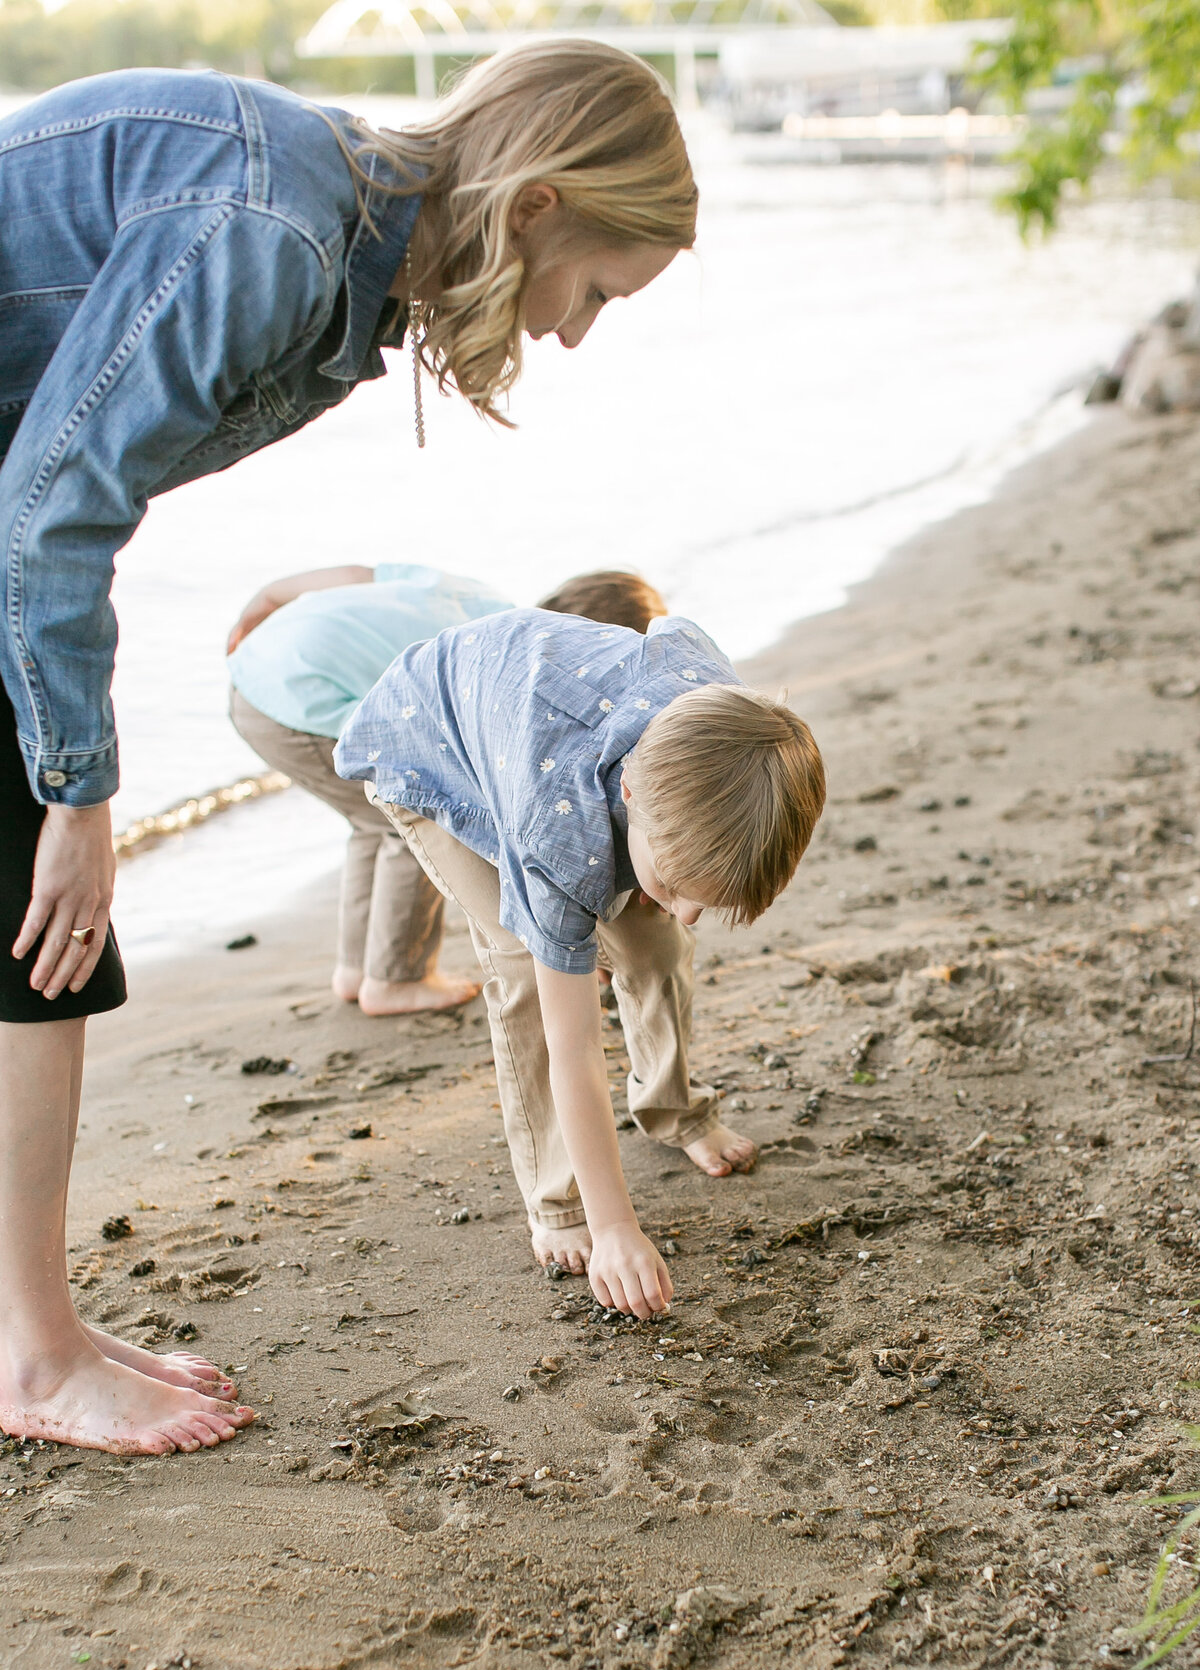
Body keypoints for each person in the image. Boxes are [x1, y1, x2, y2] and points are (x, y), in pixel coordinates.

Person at [0, 44, 697, 1456]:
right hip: (15, 537)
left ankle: (32, 1332)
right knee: (45, 924)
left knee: (36, 942)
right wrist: (79, 787)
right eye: (597, 292)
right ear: (539, 206)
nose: (572, 335)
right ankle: (32, 1355)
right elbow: (55, 503)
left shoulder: (338, 251)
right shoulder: (280, 229)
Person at [336, 609, 826, 1320]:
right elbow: (575, 1050)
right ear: (631, 796)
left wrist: (659, 893)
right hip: (431, 746)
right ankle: (556, 1198)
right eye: (679, 886)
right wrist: (614, 1228)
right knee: (525, 975)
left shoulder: (725, 730)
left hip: (536, 730)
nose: (690, 911)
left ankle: (677, 1111)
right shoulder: (562, 836)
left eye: (706, 899)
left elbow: (670, 626)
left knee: (656, 944)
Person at [225, 562, 666, 1015]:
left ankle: (356, 970)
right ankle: (395, 978)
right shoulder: (522, 679)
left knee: (369, 822)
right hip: (301, 697)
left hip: (254, 675)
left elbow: (358, 573)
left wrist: (267, 598)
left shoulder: (478, 597)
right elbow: (493, 804)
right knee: (414, 808)